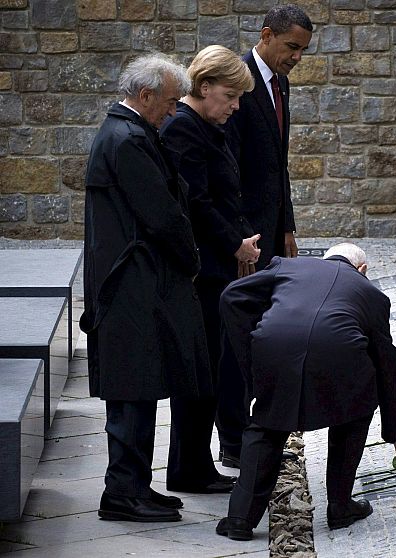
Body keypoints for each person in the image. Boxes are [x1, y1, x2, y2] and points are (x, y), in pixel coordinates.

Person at [215, 243, 396, 541]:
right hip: (338, 354)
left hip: (275, 345)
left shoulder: (287, 265)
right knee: (356, 407)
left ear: (324, 258)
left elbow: (231, 295)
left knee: (266, 425)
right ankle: (340, 507)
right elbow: (390, 371)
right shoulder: (373, 295)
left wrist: (249, 357)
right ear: (362, 270)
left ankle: (239, 519)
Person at [81, 53, 212, 522]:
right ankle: (122, 492)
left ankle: (135, 485)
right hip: (130, 284)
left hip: (133, 281)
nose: (174, 111)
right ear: (145, 96)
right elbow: (160, 214)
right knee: (132, 390)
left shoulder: (128, 133)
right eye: (172, 102)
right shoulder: (128, 139)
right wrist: (191, 258)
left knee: (140, 386)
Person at [159, 45, 257, 492]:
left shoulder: (204, 127)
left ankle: (194, 464)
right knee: (200, 372)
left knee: (211, 369)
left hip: (217, 267)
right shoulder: (184, 129)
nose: (236, 107)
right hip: (202, 272)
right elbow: (194, 203)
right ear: (204, 87)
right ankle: (189, 468)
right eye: (231, 96)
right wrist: (234, 242)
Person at [226, 4, 313, 270]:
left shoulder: (280, 81)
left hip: (272, 229)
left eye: (302, 50)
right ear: (266, 36)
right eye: (291, 47)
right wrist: (237, 237)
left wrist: (286, 227)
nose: (297, 57)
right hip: (246, 233)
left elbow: (278, 163)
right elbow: (227, 167)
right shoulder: (237, 80)